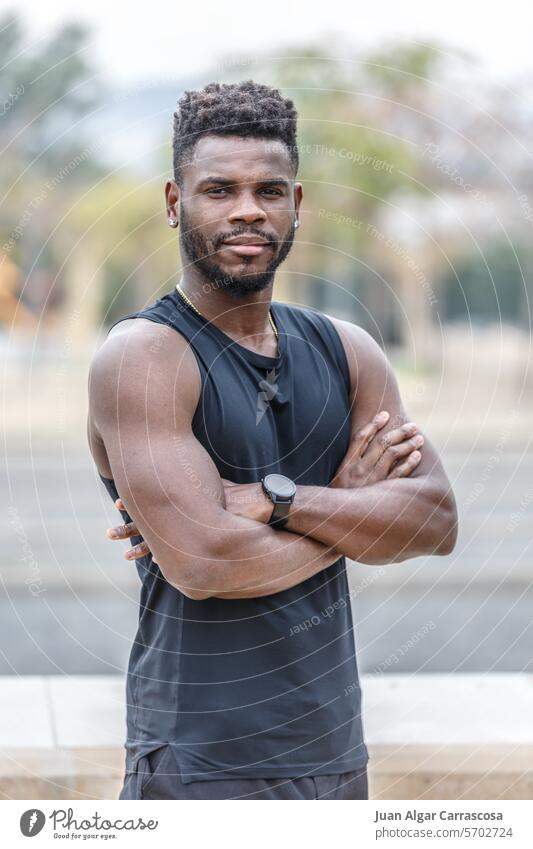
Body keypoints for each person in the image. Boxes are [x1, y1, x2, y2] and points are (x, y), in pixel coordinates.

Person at [87, 81, 457, 800]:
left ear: (297, 203)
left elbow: (435, 520)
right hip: (200, 760)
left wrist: (274, 500)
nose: (247, 208)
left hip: (334, 752)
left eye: (269, 189)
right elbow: (206, 563)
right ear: (174, 203)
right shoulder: (145, 357)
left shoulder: (347, 350)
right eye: (218, 189)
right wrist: (349, 510)